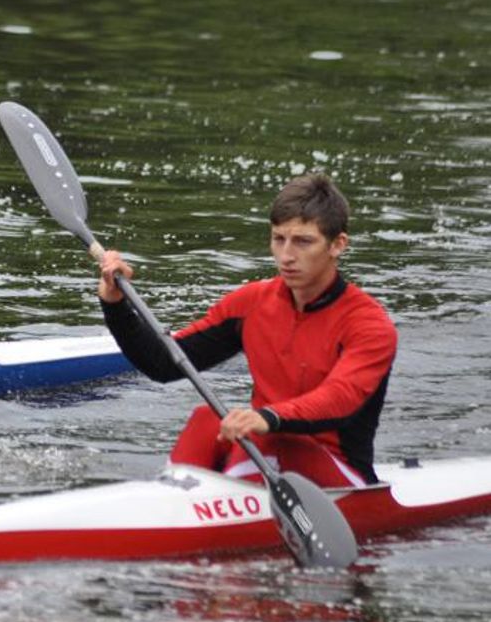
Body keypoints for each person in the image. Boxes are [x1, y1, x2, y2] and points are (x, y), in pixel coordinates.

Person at [98, 173, 397, 487]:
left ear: (338, 245)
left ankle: (205, 511)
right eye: (278, 238)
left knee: (265, 436)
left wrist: (268, 417)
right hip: (265, 451)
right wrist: (116, 305)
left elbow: (340, 398)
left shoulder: (368, 325)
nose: (286, 256)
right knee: (206, 419)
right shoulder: (253, 303)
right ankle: (170, 505)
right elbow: (163, 363)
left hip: (340, 473)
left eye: (303, 241)